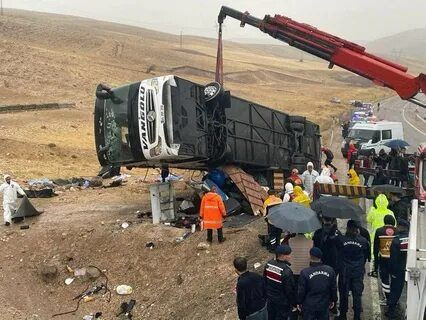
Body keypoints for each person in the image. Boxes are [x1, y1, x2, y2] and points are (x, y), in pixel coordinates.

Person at [336, 220, 370, 320]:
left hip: (345, 271)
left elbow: (337, 251)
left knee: (343, 294)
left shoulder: (341, 240)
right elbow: (367, 256)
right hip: (357, 271)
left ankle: (343, 315)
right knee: (357, 294)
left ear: (348, 228)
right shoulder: (363, 241)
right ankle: (357, 316)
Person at [297, 247, 337, 320]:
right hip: (324, 303)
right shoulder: (330, 270)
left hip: (309, 305)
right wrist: (333, 299)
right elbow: (333, 287)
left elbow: (301, 290)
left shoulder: (305, 272)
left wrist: (299, 302)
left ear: (310, 256)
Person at [264, 245, 296, 320]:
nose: (290, 256)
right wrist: (294, 303)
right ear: (283, 256)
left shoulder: (268, 264)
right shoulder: (286, 271)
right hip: (282, 302)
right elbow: (289, 290)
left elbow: (265, 280)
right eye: (289, 254)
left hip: (270, 299)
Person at [387, 219, 410, 319]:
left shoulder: (396, 240)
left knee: (395, 291)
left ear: (400, 227)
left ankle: (391, 312)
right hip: (410, 269)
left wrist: (392, 272)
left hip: (399, 271)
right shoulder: (413, 239)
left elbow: (393, 258)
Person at [288, 233, 313, 319]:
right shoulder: (310, 242)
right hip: (305, 271)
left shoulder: (290, 241)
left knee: (295, 290)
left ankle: (295, 309)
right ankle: (303, 310)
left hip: (294, 270)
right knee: (304, 291)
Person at [373, 215, 396, 303]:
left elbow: (375, 248)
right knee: (394, 278)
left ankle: (387, 297)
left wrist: (375, 264)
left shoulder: (379, 231)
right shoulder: (397, 231)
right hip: (394, 259)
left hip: (383, 259)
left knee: (385, 278)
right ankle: (394, 297)